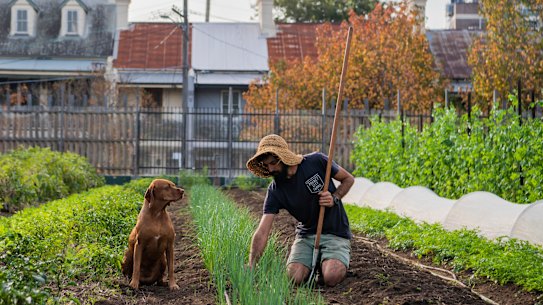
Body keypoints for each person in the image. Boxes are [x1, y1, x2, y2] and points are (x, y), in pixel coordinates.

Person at [246, 134, 355, 287]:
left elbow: (348, 179)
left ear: (284, 157)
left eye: (273, 163)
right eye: (266, 165)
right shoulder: (276, 190)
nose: (271, 169)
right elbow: (263, 230)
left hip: (335, 232)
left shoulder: (316, 161)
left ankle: (330, 263)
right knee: (294, 277)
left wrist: (334, 198)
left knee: (331, 276)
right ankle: (314, 264)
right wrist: (252, 265)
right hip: (307, 235)